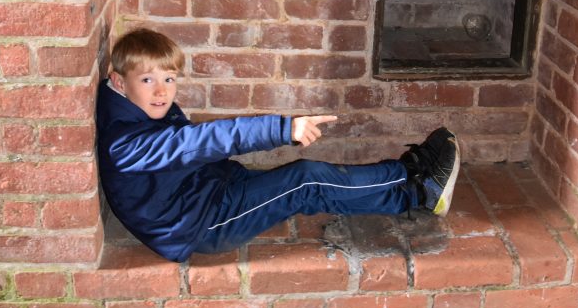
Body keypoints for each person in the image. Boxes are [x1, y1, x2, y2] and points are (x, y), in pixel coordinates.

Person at [96, 27, 461, 262]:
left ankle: (408, 194)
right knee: (304, 180)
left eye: (169, 78)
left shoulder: (134, 109)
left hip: (206, 194)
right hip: (200, 225)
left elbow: (189, 155)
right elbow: (201, 142)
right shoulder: (126, 144)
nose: (161, 91)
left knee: (307, 186)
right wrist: (282, 129)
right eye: (147, 79)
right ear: (118, 81)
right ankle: (415, 180)